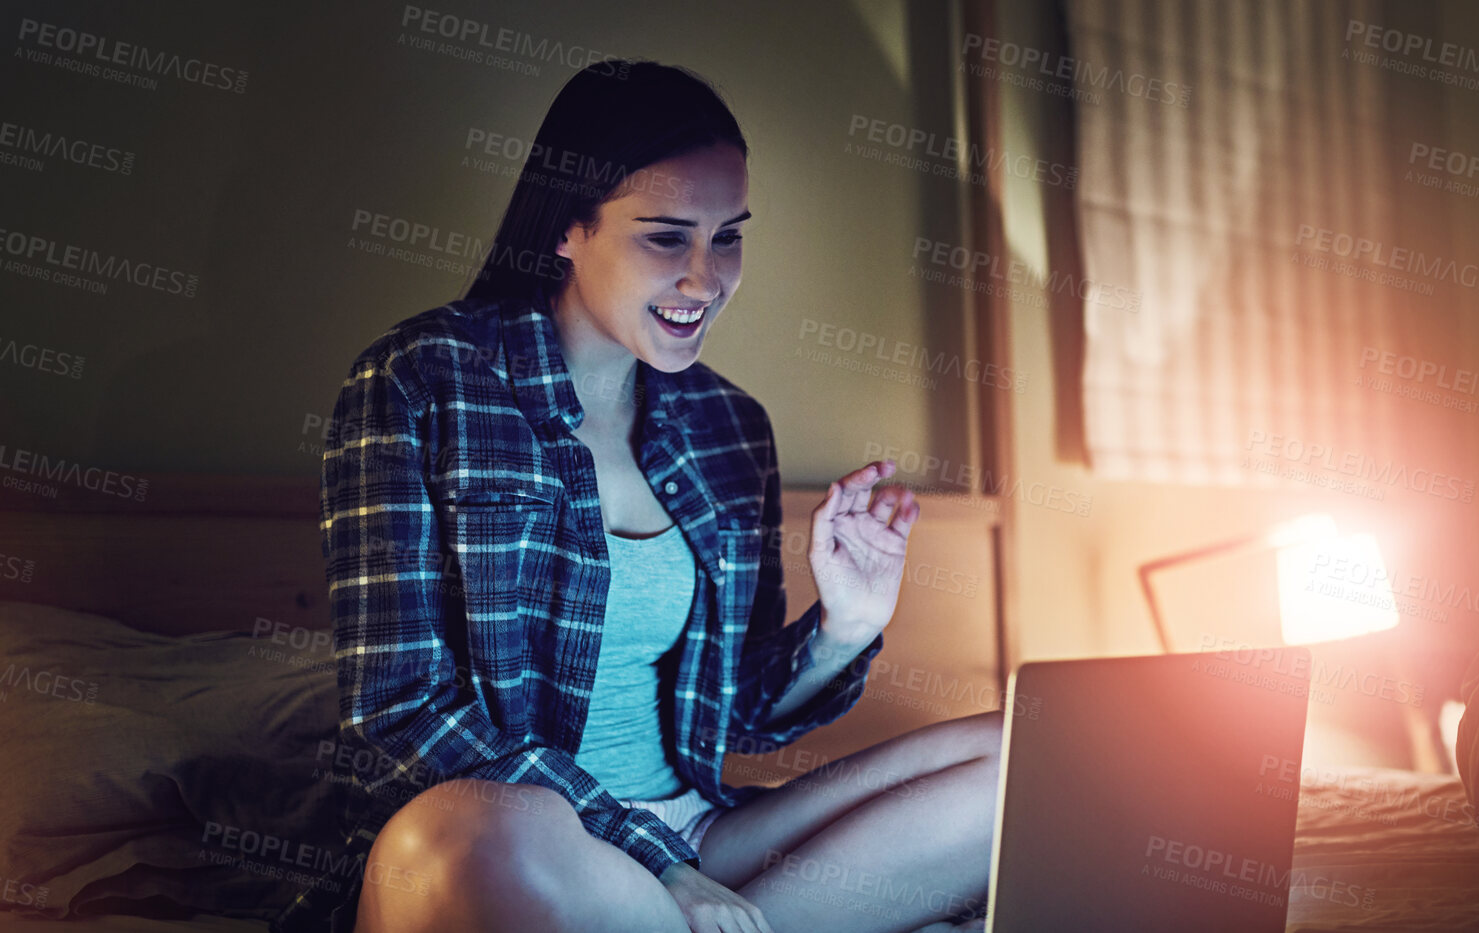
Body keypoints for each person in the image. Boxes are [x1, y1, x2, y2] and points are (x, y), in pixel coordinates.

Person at [270, 60, 998, 933]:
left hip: (698, 834)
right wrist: (653, 864)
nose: (705, 277)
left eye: (728, 236)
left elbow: (737, 722)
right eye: (665, 236)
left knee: (1020, 754)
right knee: (482, 832)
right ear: (568, 228)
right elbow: (399, 708)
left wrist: (844, 626)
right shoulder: (421, 380)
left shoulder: (729, 426)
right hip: (517, 840)